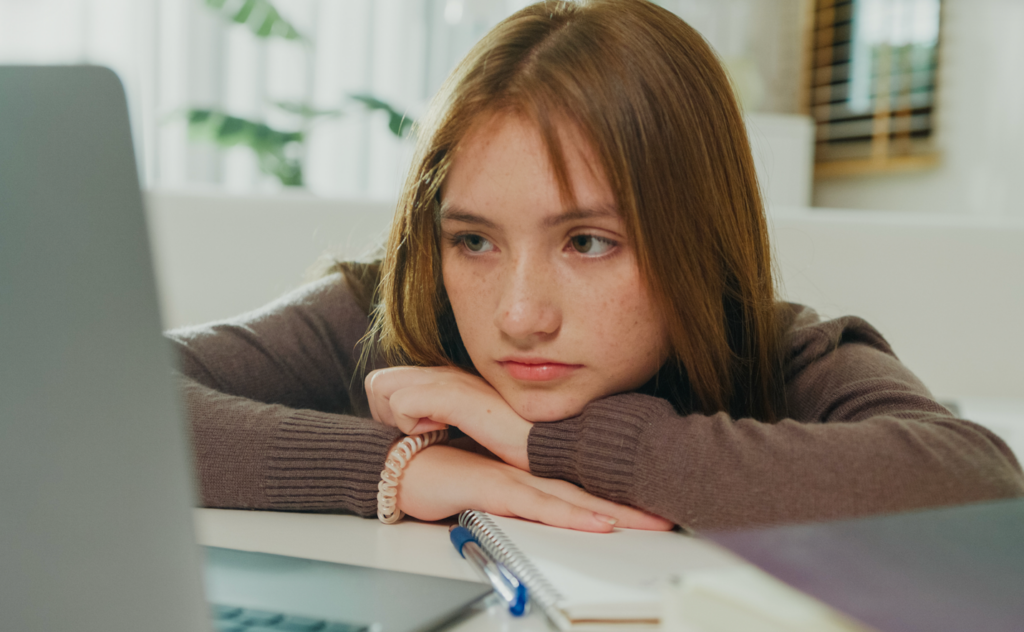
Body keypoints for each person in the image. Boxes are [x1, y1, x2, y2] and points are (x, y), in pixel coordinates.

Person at [169, 0, 1024, 533]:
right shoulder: (385, 312)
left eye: (587, 242)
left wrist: (536, 441)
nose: (519, 315)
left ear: (696, 236)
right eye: (474, 240)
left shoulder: (776, 349)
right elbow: (99, 396)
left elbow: (977, 487)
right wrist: (402, 468)